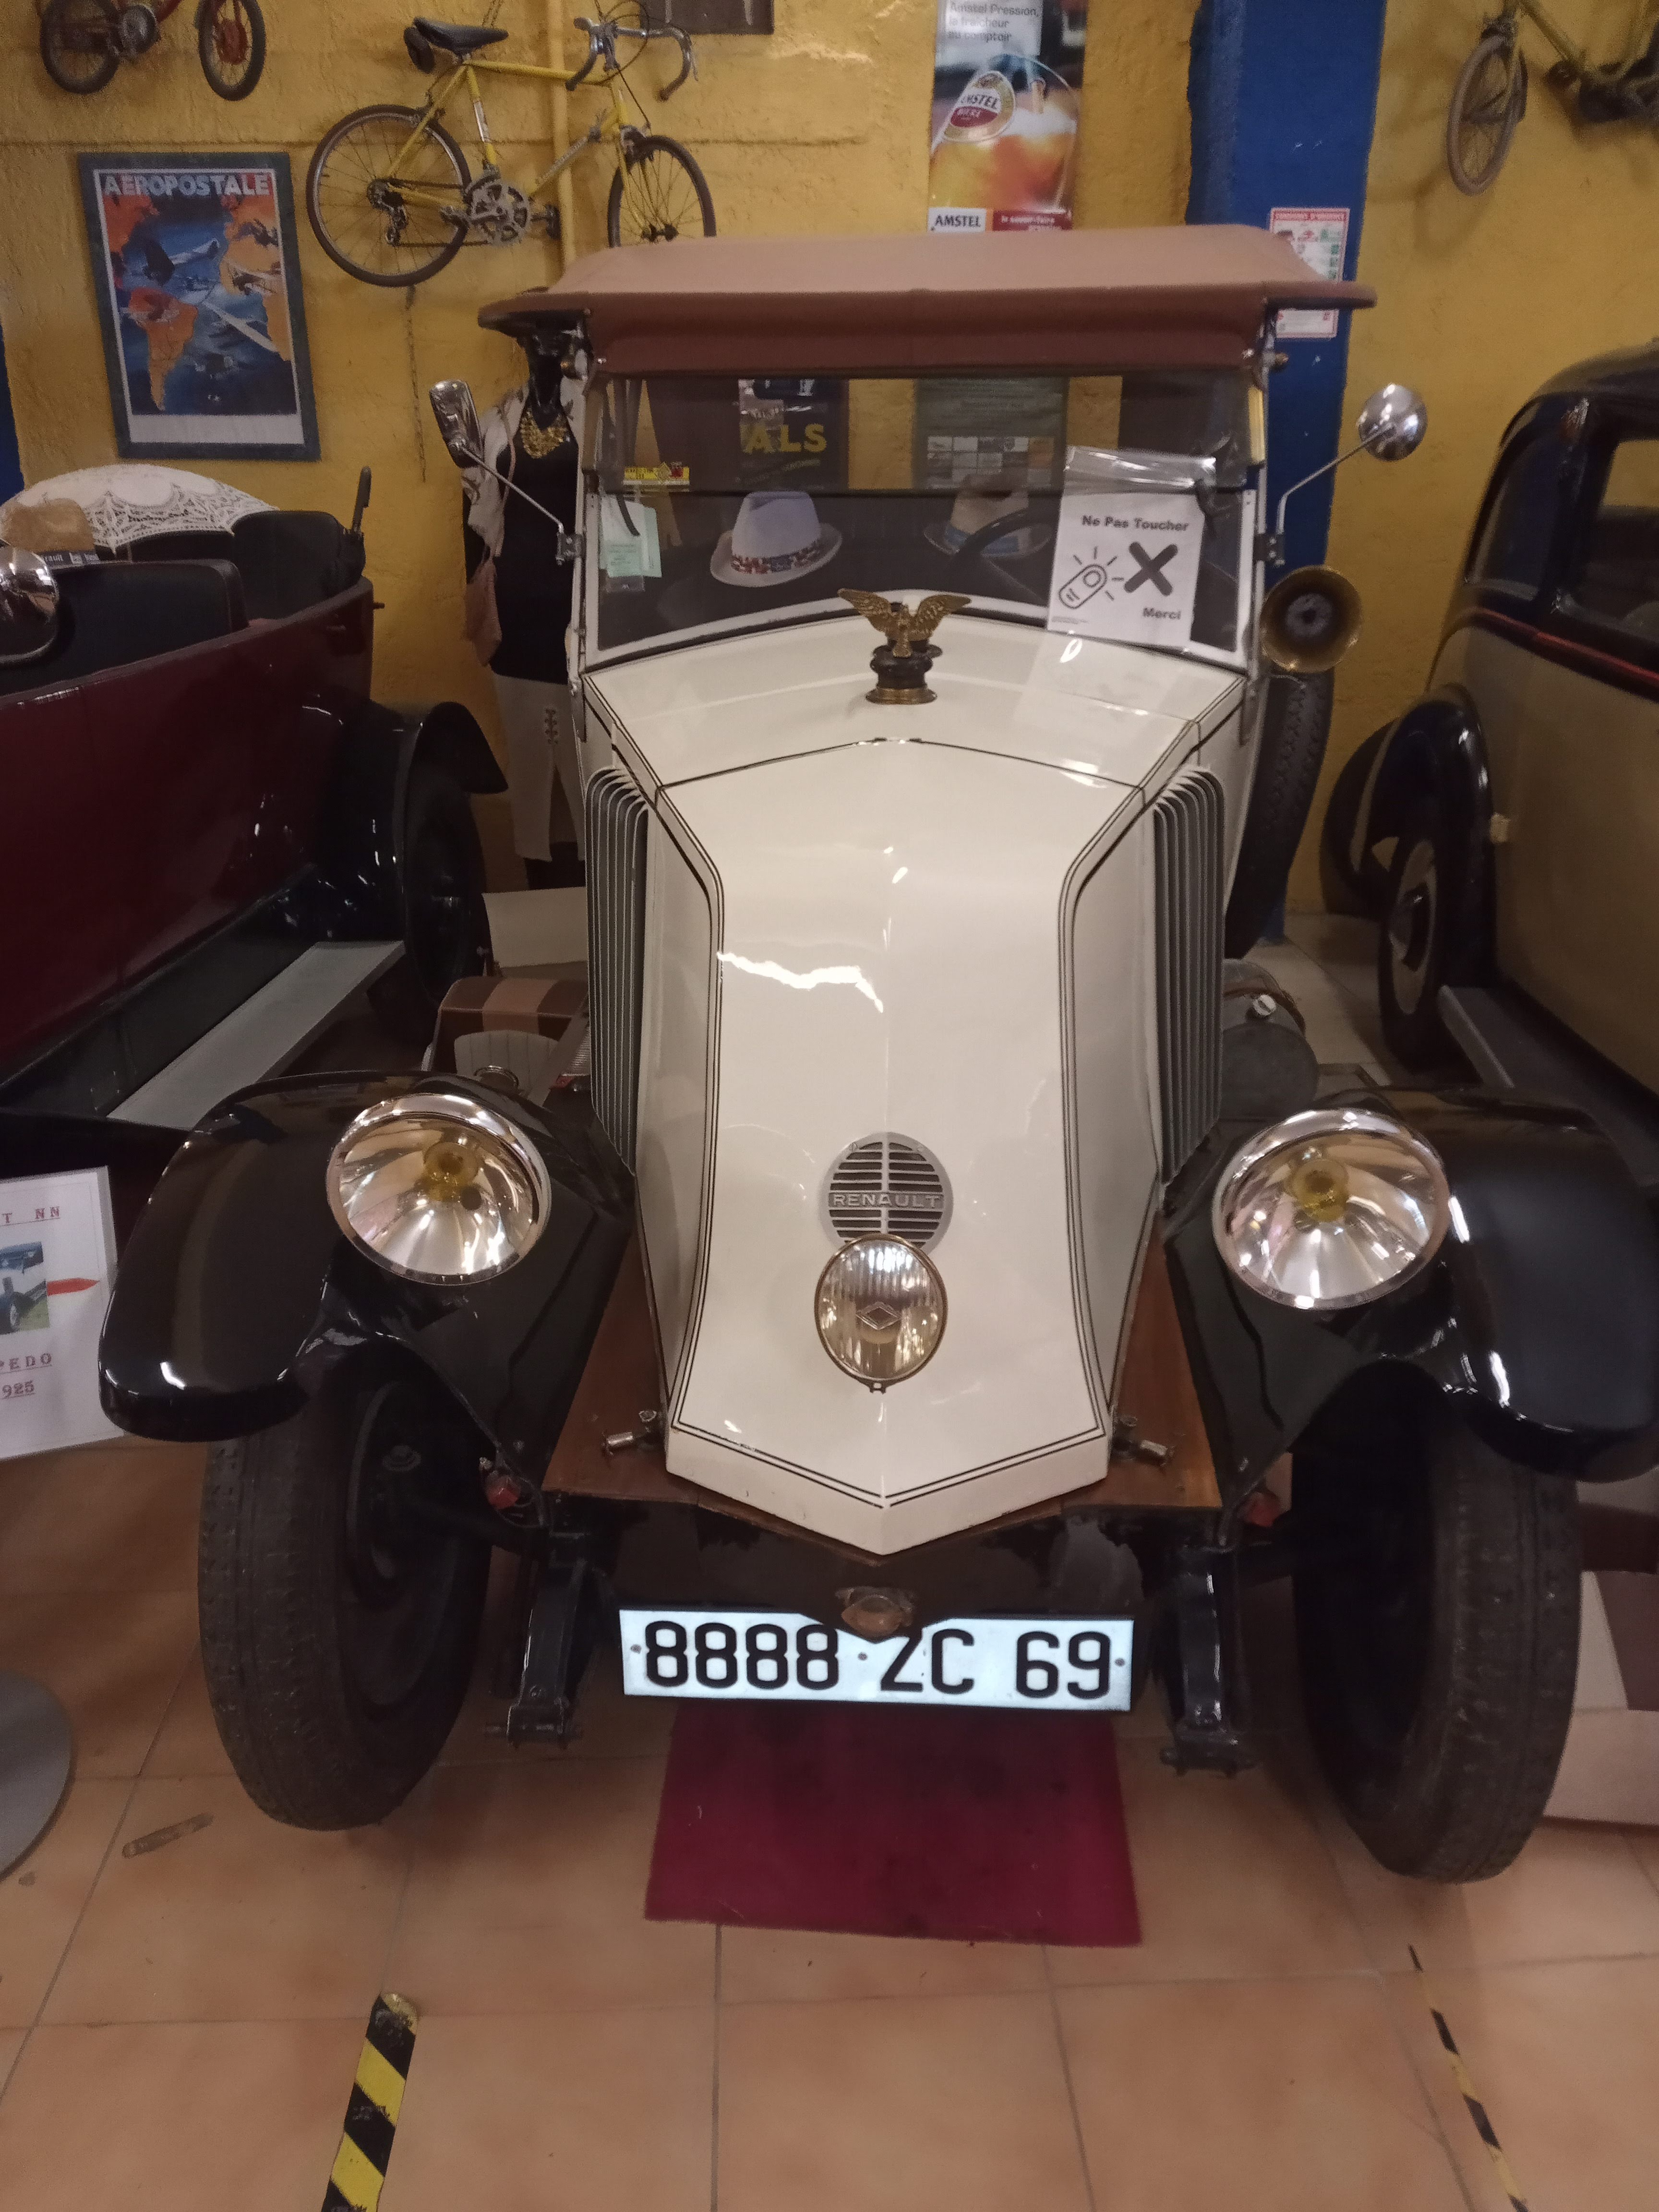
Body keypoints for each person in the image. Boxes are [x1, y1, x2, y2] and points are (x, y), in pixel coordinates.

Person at [461, 371, 583, 888]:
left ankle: (594, 893)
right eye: (534, 341)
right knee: (529, 757)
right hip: (516, 610)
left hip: (580, 611)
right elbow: (472, 525)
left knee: (586, 757)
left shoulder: (599, 417)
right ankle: (540, 890)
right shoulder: (495, 424)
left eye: (557, 339)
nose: (545, 350)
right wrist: (478, 599)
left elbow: (623, 505)